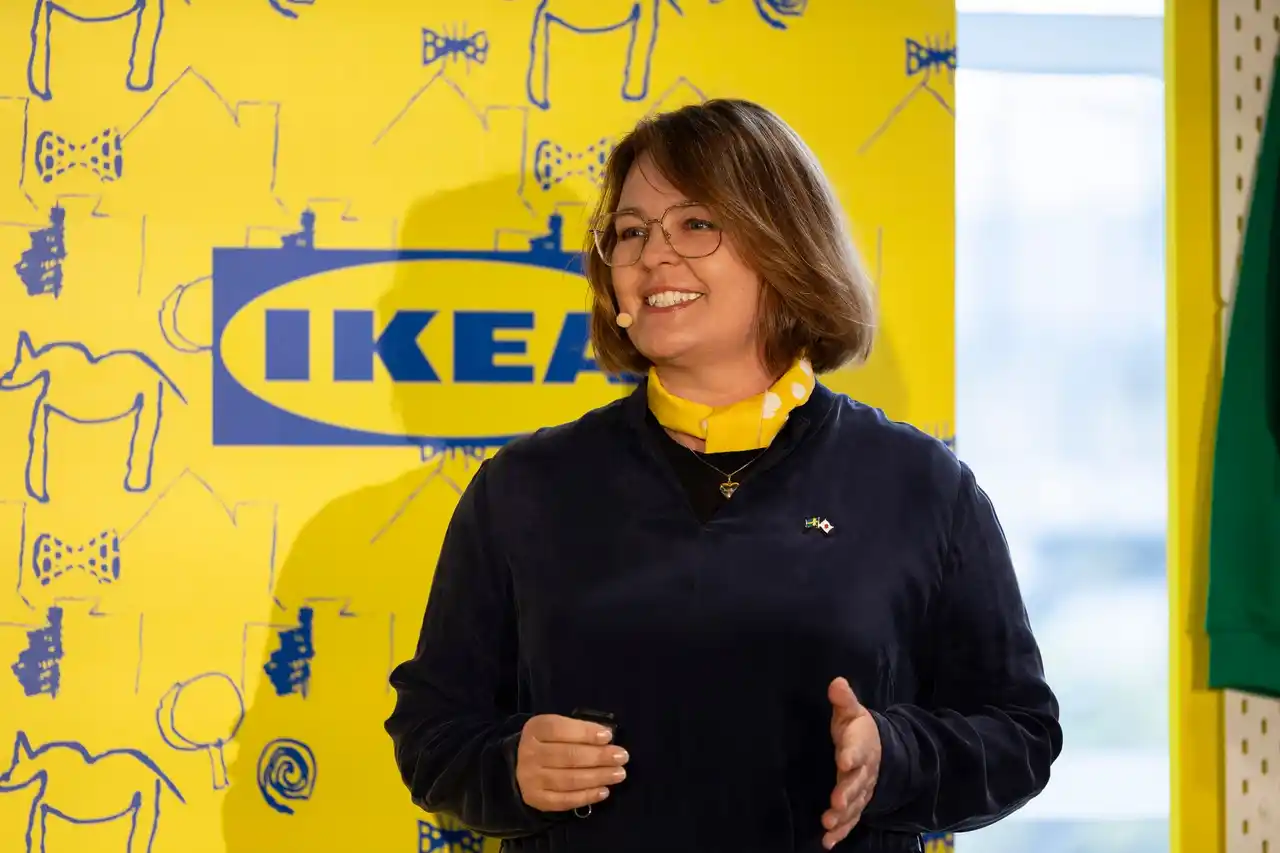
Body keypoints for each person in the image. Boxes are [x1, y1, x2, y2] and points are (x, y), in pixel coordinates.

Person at [384, 98, 1063, 852]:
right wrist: (509, 767)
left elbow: (1020, 733)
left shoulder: (919, 484)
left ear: (786, 243)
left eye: (696, 223)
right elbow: (433, 731)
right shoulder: (525, 487)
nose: (653, 255)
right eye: (631, 232)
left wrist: (894, 755)